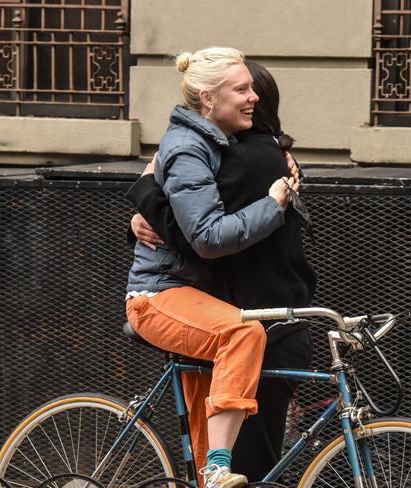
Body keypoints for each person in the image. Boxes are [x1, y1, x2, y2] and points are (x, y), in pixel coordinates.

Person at [128, 60, 316, 483]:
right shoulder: (236, 155)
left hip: (253, 320)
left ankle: (213, 468)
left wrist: (143, 195)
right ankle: (213, 467)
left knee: (243, 465)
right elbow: (202, 235)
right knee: (236, 466)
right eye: (240, 90)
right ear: (210, 98)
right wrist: (142, 207)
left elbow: (188, 228)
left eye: (253, 90)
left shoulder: (245, 156)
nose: (249, 98)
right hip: (238, 318)